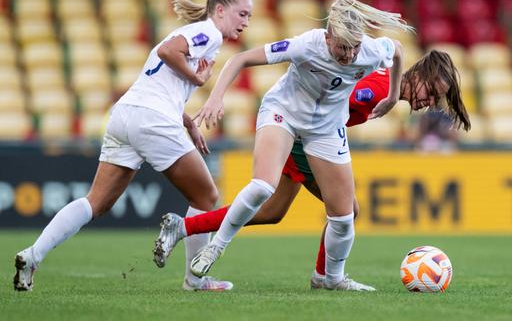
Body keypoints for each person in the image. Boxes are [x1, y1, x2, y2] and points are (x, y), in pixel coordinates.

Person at [153, 49, 471, 289]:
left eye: (438, 98)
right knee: (346, 210)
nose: (431, 102)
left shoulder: (387, 85)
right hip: (304, 137)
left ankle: (183, 227)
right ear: (417, 76)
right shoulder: (377, 88)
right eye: (432, 92)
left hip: (303, 137)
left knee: (271, 212)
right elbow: (334, 99)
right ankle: (326, 278)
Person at [13, 0, 253, 292]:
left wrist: (188, 123)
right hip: (151, 120)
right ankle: (195, 280)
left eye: (249, 15)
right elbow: (169, 54)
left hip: (125, 115)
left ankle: (33, 255)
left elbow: (161, 83)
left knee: (95, 202)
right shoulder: (209, 33)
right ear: (220, 11)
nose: (245, 21)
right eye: (242, 13)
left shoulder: (195, 34)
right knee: (205, 197)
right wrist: (198, 79)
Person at [182, 0, 415, 291]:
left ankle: (333, 279)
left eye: (354, 47)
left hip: (326, 127)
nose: (349, 55)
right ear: (328, 37)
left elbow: (396, 49)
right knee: (263, 186)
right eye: (343, 47)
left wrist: (394, 96)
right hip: (284, 113)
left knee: (344, 217)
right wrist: (216, 96)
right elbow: (240, 58)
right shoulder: (306, 45)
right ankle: (215, 247)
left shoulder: (368, 50)